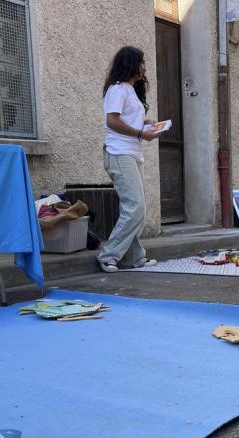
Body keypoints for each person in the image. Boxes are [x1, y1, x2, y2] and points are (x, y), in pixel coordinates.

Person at [97, 46, 162, 272]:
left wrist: (148, 125)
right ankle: (108, 254)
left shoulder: (130, 91)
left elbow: (127, 122)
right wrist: (140, 133)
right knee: (135, 207)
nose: (145, 66)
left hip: (132, 153)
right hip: (119, 153)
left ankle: (133, 258)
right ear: (131, 64)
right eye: (142, 62)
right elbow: (112, 121)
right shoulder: (117, 89)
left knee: (137, 208)